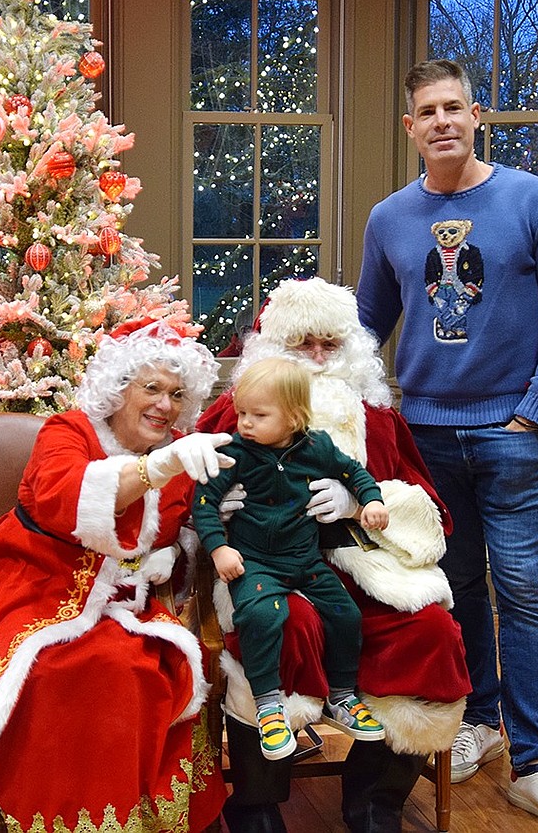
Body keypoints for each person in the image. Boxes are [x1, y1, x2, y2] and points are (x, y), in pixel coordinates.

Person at [356, 59, 538, 833]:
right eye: (426, 111)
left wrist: (531, 412)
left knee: (522, 589)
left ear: (477, 113)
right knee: (458, 588)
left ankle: (537, 764)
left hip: (511, 434)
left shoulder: (535, 200)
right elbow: (368, 324)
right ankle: (480, 723)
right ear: (410, 128)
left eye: (454, 107)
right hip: (425, 434)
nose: (442, 121)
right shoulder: (389, 218)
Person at [197, 276, 471, 833]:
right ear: (276, 347)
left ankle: (376, 794)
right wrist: (221, 509)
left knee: (434, 634)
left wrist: (366, 501)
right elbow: (186, 489)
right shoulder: (240, 413)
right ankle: (257, 800)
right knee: (282, 623)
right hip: (272, 572)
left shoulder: (378, 419)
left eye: (331, 345)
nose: (320, 358)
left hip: (366, 574)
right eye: (305, 345)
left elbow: (435, 513)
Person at [0, 318, 231, 833]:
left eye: (176, 394)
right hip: (28, 586)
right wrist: (156, 469)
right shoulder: (68, 431)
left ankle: (141, 817)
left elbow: (177, 540)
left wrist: (233, 510)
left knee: (152, 667)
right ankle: (73, 818)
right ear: (119, 389)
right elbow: (63, 499)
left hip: (126, 602)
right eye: (152, 389)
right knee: (71, 671)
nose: (165, 405)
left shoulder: (177, 456)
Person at [194, 357, 388, 761]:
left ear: (295, 417)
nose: (244, 422)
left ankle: (342, 697)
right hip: (254, 562)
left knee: (346, 615)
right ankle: (267, 706)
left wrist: (368, 500)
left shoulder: (318, 447)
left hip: (305, 560)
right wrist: (219, 547)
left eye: (258, 415)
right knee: (261, 617)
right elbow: (205, 502)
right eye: (242, 412)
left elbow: (354, 472)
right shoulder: (237, 451)